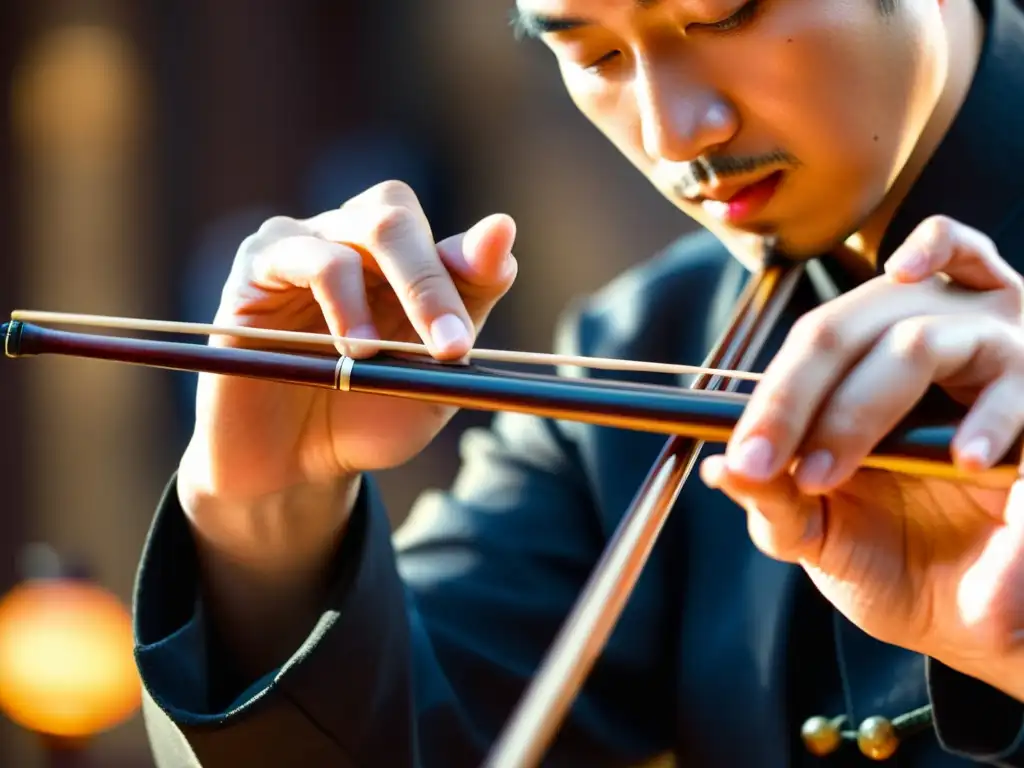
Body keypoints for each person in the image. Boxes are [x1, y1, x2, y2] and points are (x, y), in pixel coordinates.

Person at [132, 0, 1024, 765]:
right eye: (594, 53)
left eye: (720, 13)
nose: (675, 133)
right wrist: (262, 501)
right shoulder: (646, 345)